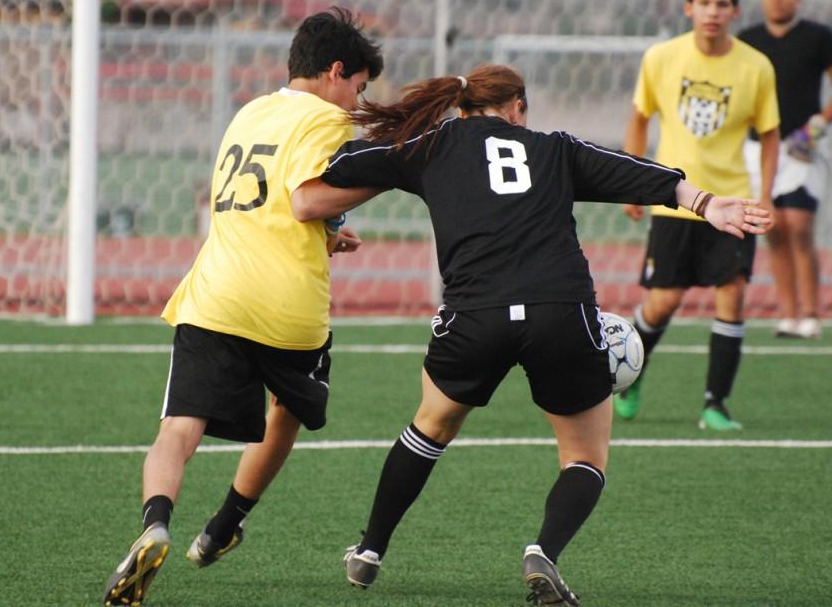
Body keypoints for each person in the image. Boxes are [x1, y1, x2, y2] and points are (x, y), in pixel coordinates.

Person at [290, 64, 772, 606]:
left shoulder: (429, 145)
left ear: (461, 106)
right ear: (518, 106)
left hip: (476, 315)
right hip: (559, 310)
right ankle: (543, 551)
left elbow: (344, 167)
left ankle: (369, 552)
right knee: (586, 456)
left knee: (430, 426)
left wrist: (332, 184)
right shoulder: (553, 148)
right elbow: (631, 170)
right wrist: (707, 203)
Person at [102, 7, 383, 607]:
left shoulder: (251, 112)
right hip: (287, 306)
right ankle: (224, 525)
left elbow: (265, 204)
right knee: (287, 412)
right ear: (336, 72)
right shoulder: (328, 120)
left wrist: (330, 231)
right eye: (358, 89)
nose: (355, 104)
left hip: (216, 293)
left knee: (179, 428)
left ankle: (155, 524)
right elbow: (306, 200)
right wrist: (389, 173)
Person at [615, 0, 781, 431]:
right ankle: (631, 376)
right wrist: (631, 181)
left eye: (722, 4)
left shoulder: (756, 67)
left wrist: (765, 193)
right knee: (663, 303)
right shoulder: (661, 58)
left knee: (733, 295)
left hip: (732, 204)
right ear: (689, 8)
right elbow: (639, 119)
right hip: (675, 200)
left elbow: (770, 135)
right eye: (704, 3)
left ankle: (715, 404)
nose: (713, 12)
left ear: (734, 11)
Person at [739, 0, 832, 340]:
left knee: (799, 225)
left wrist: (816, 127)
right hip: (759, 147)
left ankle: (811, 314)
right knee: (773, 228)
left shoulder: (818, 37)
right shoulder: (748, 41)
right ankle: (787, 314)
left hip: (802, 146)